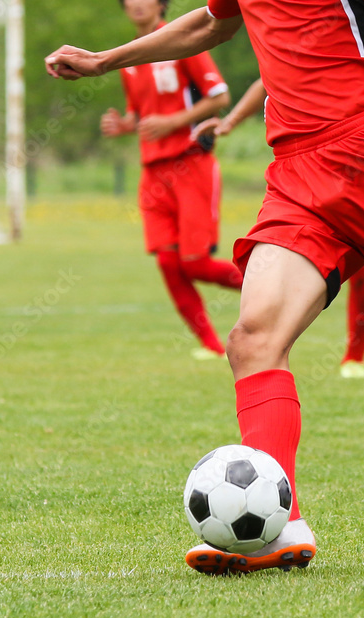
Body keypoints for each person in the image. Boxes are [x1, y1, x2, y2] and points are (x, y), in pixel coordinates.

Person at [46, 0, 364, 575]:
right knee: (253, 340)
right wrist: (105, 62)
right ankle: (276, 525)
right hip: (298, 170)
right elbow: (210, 22)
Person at [193, 79, 364, 379]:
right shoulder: (287, 47)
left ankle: (354, 355)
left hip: (361, 163)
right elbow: (264, 81)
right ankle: (273, 338)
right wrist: (230, 122)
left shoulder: (354, 48)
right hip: (304, 172)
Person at [103, 0, 241, 360]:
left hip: (190, 164)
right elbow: (141, 114)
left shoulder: (182, 42)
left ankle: (276, 289)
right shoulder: (129, 60)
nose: (136, 3)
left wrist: (174, 122)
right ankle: (212, 347)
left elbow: (219, 97)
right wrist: (125, 125)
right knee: (167, 262)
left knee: (195, 263)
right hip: (152, 171)